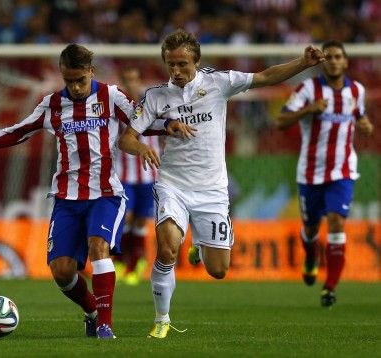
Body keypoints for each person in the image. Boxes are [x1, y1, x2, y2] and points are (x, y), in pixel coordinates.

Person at [0, 44, 191, 339]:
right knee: (62, 271)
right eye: (69, 81)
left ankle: (105, 326)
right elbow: (16, 132)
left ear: (91, 72)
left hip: (105, 194)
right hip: (66, 198)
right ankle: (92, 311)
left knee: (99, 248)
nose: (75, 87)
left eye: (80, 80)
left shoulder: (110, 96)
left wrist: (169, 125)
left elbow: (142, 122)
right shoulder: (51, 105)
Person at [118, 29, 325, 338]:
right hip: (172, 184)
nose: (176, 71)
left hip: (212, 189)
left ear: (197, 62)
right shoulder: (155, 96)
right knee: (167, 250)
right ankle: (162, 319)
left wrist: (303, 63)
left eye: (182, 64)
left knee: (218, 270)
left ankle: (201, 246)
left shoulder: (219, 82)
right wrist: (144, 147)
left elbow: (266, 76)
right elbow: (127, 139)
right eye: (170, 64)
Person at [275, 40, 374, 307]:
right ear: (322, 61)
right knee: (310, 228)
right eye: (327, 56)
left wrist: (365, 124)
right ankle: (310, 256)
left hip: (342, 171)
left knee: (337, 222)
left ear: (345, 62)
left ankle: (329, 287)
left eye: (337, 56)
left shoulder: (357, 90)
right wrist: (308, 110)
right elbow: (280, 121)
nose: (332, 60)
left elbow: (360, 116)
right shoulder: (308, 89)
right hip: (310, 173)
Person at [115, 66, 161, 285]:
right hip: (124, 174)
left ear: (140, 80)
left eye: (134, 79)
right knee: (127, 217)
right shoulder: (117, 107)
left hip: (148, 175)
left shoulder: (153, 104)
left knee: (142, 220)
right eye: (127, 79)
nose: (131, 83)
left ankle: (137, 261)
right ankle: (122, 260)